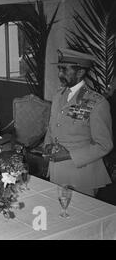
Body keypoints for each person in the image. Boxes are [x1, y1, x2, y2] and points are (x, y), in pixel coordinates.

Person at [43, 48, 113, 196]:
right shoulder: (58, 95)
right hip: (56, 171)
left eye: (64, 69)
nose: (59, 74)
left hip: (81, 175)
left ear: (80, 72)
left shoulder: (97, 102)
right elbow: (52, 127)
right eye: (59, 69)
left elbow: (104, 145)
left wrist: (69, 155)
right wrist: (47, 145)